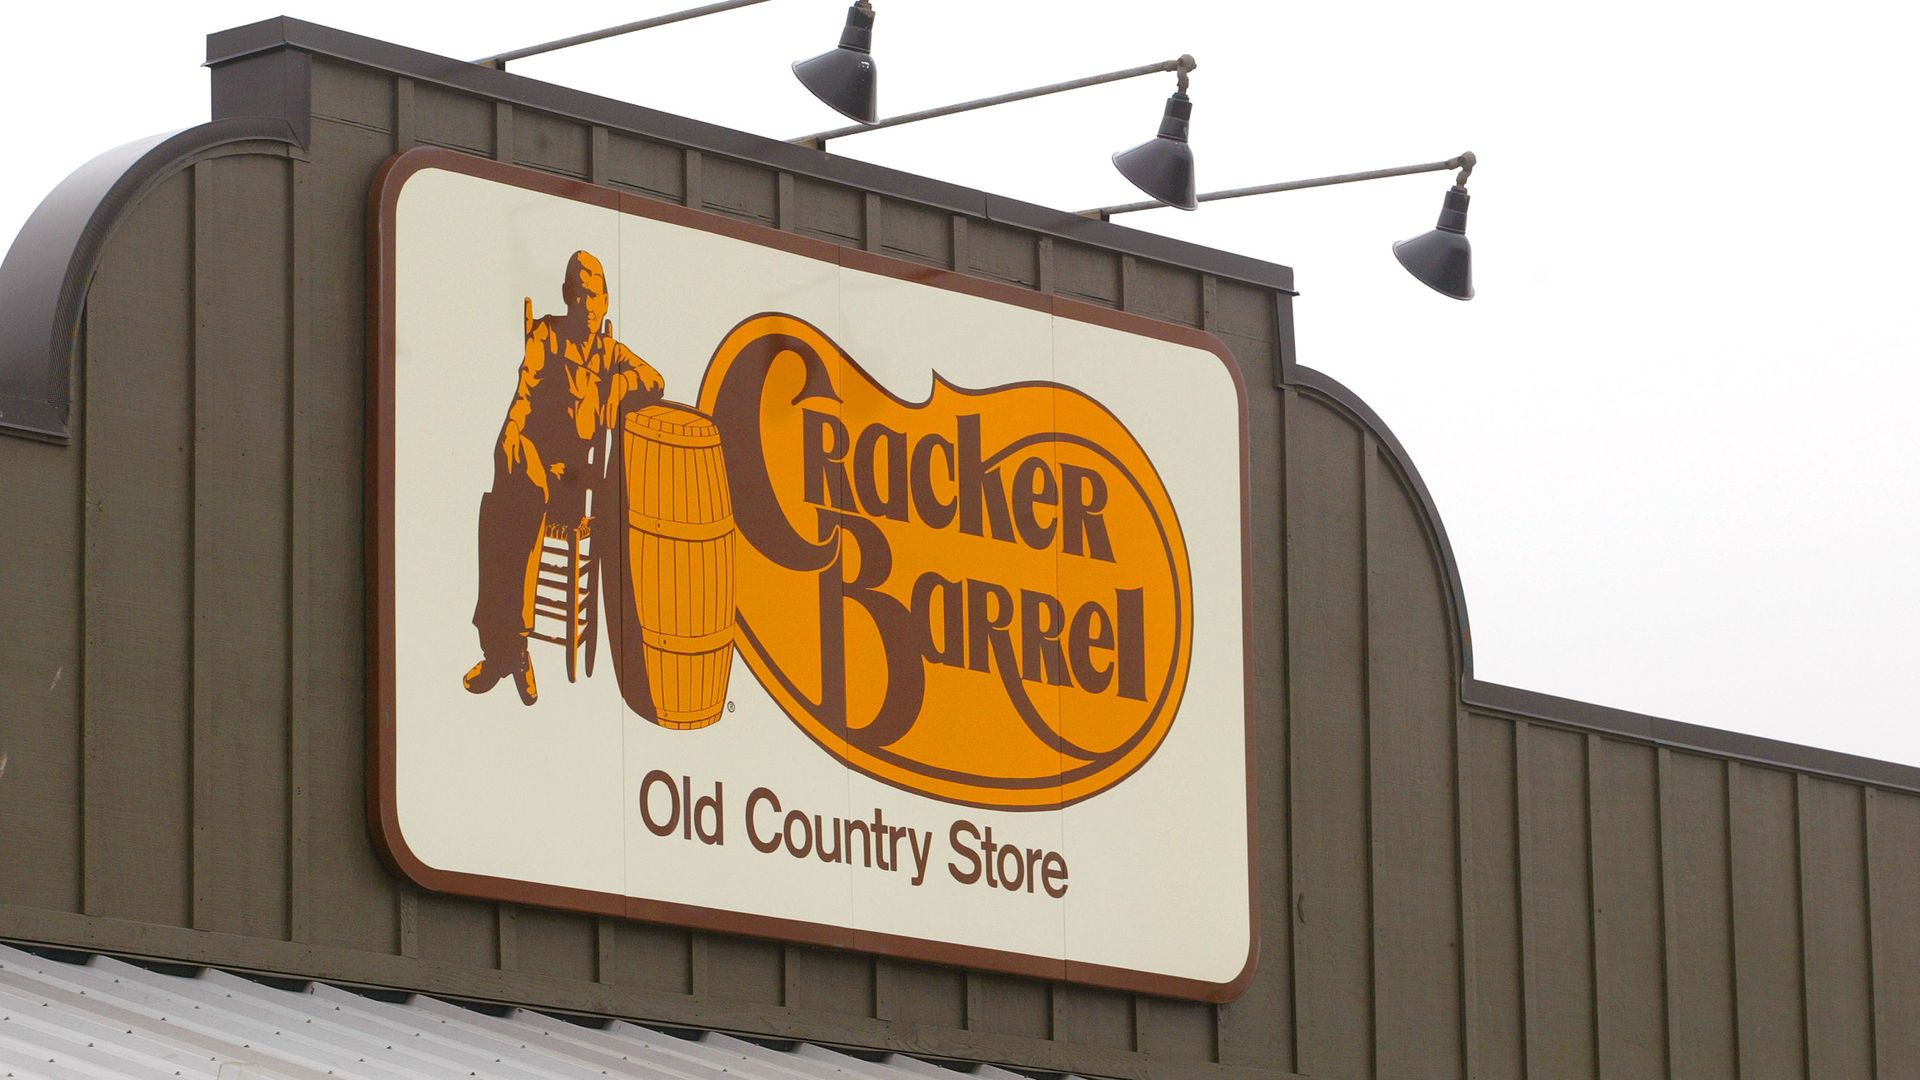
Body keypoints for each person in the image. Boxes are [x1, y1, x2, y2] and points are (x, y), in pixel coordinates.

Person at [464, 251, 664, 704]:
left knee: (504, 506)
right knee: (512, 491)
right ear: (569, 296)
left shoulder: (612, 354)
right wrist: (511, 432)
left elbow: (655, 380)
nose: (590, 305)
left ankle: (504, 651)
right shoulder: (546, 334)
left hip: (574, 485)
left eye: (599, 295)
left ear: (608, 302)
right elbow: (524, 390)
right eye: (583, 294)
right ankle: (511, 651)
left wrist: (620, 386)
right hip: (534, 462)